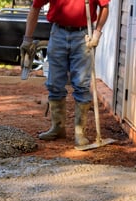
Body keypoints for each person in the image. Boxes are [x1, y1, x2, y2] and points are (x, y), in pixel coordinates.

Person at [20, 0, 110, 146]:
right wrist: (27, 38)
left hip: (83, 35)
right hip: (58, 33)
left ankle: (80, 133)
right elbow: (35, 7)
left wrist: (97, 33)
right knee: (54, 83)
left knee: (81, 84)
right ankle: (58, 128)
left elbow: (105, 7)